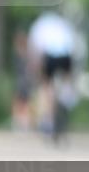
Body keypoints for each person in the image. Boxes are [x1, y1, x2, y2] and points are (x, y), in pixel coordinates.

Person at [26, 10, 79, 139]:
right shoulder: (63, 24)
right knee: (67, 79)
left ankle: (48, 119)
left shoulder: (39, 25)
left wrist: (35, 69)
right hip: (66, 56)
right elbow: (73, 45)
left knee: (46, 86)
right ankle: (67, 97)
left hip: (50, 56)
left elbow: (35, 50)